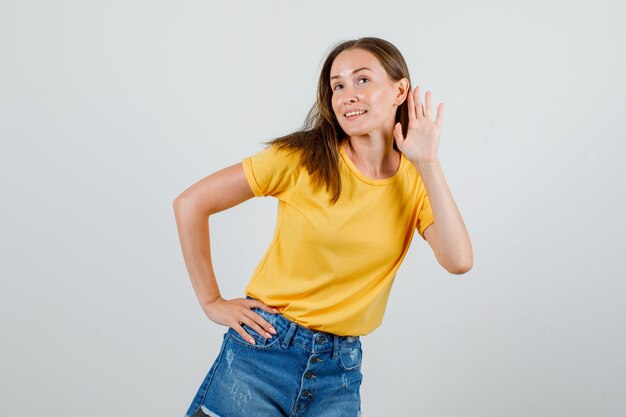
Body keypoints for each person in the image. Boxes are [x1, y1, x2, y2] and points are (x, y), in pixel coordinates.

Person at [173, 36, 472, 417]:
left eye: (362, 80)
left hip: (339, 371)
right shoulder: (300, 158)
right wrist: (211, 302)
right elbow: (191, 203)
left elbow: (458, 260)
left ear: (400, 90)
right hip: (262, 354)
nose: (348, 94)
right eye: (338, 85)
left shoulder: (415, 179)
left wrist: (428, 162)